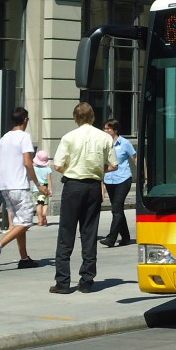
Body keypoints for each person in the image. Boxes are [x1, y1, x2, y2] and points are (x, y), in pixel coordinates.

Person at [50, 102, 116, 294]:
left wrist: (73, 167)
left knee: (66, 233)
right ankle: (87, 280)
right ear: (93, 117)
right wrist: (96, 168)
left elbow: (58, 166)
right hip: (93, 186)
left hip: (73, 186)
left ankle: (62, 282)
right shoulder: (104, 137)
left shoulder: (68, 137)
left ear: (75, 118)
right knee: (89, 233)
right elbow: (113, 165)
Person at [0, 107, 45, 271]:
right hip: (20, 186)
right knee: (25, 222)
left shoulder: (4, 138)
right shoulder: (24, 137)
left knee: (19, 223)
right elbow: (27, 162)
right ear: (25, 119)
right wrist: (38, 185)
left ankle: (24, 258)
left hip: (5, 187)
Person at [100, 118, 135, 248]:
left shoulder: (124, 143)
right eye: (105, 128)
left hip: (123, 178)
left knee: (116, 208)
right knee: (118, 209)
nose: (106, 131)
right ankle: (125, 237)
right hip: (110, 179)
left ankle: (111, 238)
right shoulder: (104, 144)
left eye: (108, 128)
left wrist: (145, 178)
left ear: (115, 130)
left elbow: (136, 159)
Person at [32, 150, 52, 227]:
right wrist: (50, 190)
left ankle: (40, 220)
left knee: (38, 204)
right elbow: (49, 180)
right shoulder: (48, 169)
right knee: (45, 203)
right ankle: (44, 214)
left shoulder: (34, 168)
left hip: (36, 188)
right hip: (45, 188)